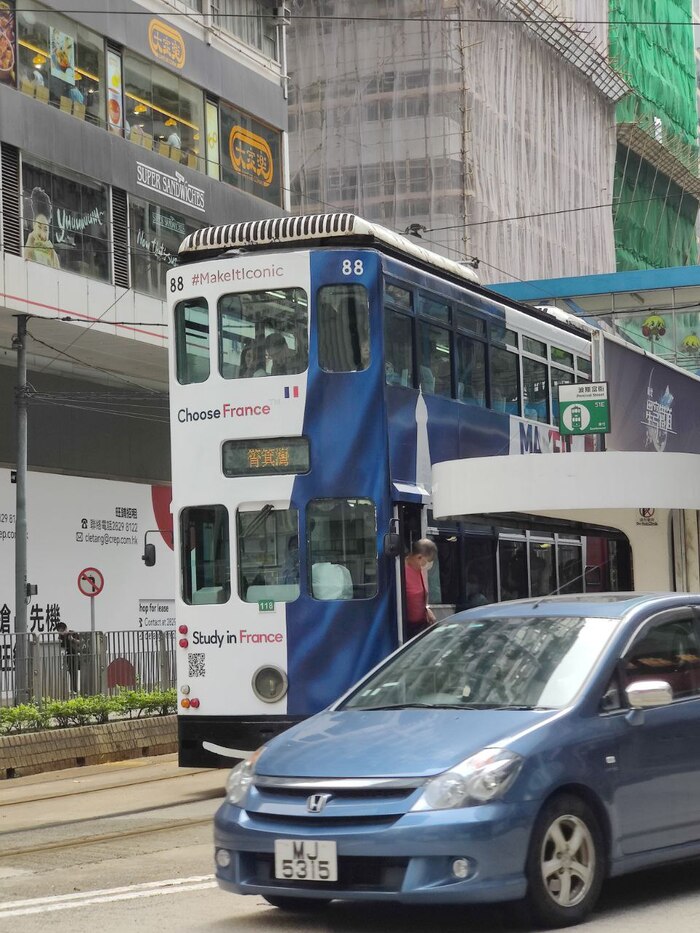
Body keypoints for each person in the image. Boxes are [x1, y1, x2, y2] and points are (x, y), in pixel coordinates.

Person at [404, 538, 437, 637]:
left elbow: (420, 595)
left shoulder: (419, 570)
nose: (429, 564)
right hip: (408, 628)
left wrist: (426, 609)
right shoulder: (401, 570)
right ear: (419, 557)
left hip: (421, 625)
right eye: (428, 561)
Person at [24, 187, 60, 269]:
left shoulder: (51, 251)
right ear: (33, 224)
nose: (42, 234)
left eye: (45, 229)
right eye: (39, 227)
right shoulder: (30, 241)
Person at [56, 622, 80, 694]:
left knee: (74, 673)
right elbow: (61, 646)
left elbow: (80, 642)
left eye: (61, 630)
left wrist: (72, 639)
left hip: (75, 655)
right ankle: (71, 690)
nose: (61, 632)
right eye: (59, 631)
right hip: (67, 656)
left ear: (65, 629)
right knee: (70, 672)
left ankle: (75, 690)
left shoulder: (72, 633)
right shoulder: (61, 637)